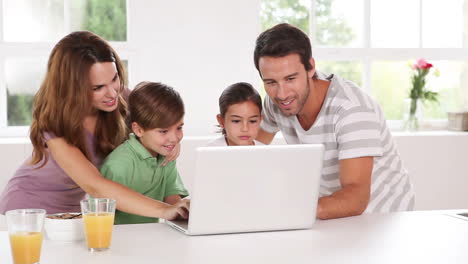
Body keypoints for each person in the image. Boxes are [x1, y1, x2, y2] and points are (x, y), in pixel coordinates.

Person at [0, 31, 189, 221]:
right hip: (28, 208)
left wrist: (171, 138)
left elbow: (160, 121)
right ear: (73, 89)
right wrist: (165, 210)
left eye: (114, 79)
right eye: (97, 88)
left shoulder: (122, 99)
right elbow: (95, 186)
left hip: (77, 212)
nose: (112, 93)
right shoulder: (55, 124)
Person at [254, 23, 415, 219]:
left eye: (290, 79)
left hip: (384, 218)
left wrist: (287, 208)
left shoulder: (352, 109)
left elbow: (356, 198)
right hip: (333, 212)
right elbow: (251, 149)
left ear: (311, 67)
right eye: (270, 82)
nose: (282, 93)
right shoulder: (276, 104)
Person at [100, 82, 189, 224]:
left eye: (179, 127)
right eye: (163, 131)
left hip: (150, 236)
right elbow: (99, 213)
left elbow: (172, 198)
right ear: (138, 130)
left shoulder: (166, 155)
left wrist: (184, 210)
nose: (174, 138)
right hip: (119, 239)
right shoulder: (119, 165)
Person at [207, 82, 264, 146]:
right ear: (221, 121)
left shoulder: (266, 152)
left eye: (252, 121)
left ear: (260, 120)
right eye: (236, 121)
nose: (245, 129)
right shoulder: (209, 152)